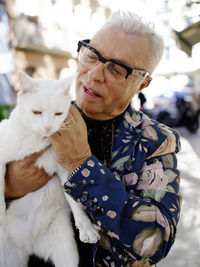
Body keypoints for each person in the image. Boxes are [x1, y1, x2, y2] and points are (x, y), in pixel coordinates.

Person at [5, 10, 181, 267]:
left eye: (117, 68)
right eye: (91, 55)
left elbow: (155, 242)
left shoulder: (158, 141)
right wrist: (9, 189)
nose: (94, 74)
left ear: (142, 85)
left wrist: (81, 163)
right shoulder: (38, 115)